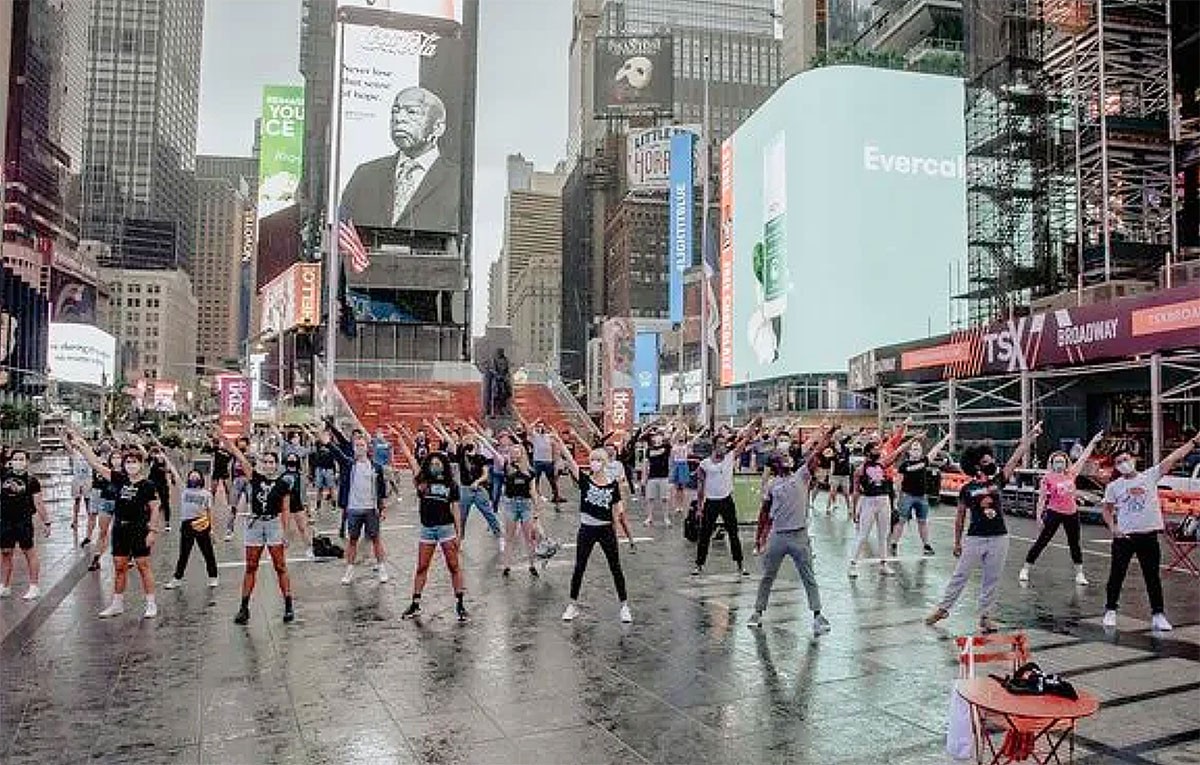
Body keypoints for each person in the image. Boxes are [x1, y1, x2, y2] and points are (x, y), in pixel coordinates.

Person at [926, 423, 1043, 632]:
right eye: (987, 461)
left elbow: (1015, 457)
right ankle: (943, 608)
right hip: (975, 538)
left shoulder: (999, 480)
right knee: (960, 575)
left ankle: (985, 616)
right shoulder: (967, 488)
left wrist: (1031, 437)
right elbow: (960, 517)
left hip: (999, 537)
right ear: (977, 465)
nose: (992, 463)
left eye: (991, 460)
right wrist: (957, 542)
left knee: (992, 578)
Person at [1100, 433, 1200, 632]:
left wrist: (1194, 442)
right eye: (1119, 462)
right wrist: (1114, 528)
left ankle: (1158, 614)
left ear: (1133, 460)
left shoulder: (1150, 476)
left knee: (1152, 576)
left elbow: (1174, 457)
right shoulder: (1114, 487)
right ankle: (1110, 610)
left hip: (1149, 536)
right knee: (1116, 575)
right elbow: (1107, 510)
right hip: (1125, 538)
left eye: (1126, 460)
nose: (1123, 464)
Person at [748, 427, 834, 636]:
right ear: (776, 463)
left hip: (799, 535)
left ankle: (817, 615)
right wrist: (759, 538)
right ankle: (758, 612)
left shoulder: (801, 475)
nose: (788, 458)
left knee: (808, 576)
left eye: (788, 456)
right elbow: (764, 513)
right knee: (768, 575)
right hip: (778, 535)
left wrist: (829, 433)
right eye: (783, 456)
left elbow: (815, 454)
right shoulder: (771, 485)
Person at [340, 86, 460, 231]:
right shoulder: (365, 175)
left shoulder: (458, 182)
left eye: (412, 112)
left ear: (438, 128)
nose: (399, 118)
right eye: (395, 111)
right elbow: (342, 232)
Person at [72, 433, 163, 619]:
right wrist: (83, 447)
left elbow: (155, 508)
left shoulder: (147, 485)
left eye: (134, 461)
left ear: (141, 463)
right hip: (120, 528)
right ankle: (117, 603)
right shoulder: (120, 479)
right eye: (127, 461)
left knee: (142, 565)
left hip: (139, 529)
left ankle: (151, 603)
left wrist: (152, 531)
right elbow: (96, 465)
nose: (130, 465)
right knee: (119, 565)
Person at [552, 432, 634, 623]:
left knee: (615, 567)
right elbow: (571, 461)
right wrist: (560, 444)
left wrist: (617, 532)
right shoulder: (585, 480)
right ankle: (572, 605)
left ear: (604, 462)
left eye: (598, 459)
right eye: (592, 459)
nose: (594, 462)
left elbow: (616, 511)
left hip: (606, 530)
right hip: (587, 529)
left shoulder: (613, 486)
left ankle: (624, 606)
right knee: (579, 566)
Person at [394, 438, 468, 622]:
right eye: (432, 463)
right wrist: (401, 440)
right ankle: (415, 603)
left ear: (444, 466)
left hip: (446, 529)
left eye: (438, 463)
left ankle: (460, 604)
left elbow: (456, 510)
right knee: (422, 566)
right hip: (427, 529)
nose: (435, 465)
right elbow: (411, 460)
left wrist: (459, 535)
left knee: (454, 566)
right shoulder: (422, 481)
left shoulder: (451, 485)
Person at [225, 438, 294, 625]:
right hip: (255, 524)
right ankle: (244, 607)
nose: (268, 465)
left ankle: (288, 604)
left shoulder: (283, 484)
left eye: (272, 462)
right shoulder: (255, 477)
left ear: (277, 465)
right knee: (251, 566)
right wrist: (226, 439)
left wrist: (286, 532)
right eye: (265, 462)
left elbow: (286, 509)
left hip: (273, 524)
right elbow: (240, 457)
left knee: (280, 566)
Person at [1019, 432, 1103, 586]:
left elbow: (1084, 457)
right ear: (1052, 463)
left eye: (1062, 461)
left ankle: (1079, 574)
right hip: (1053, 513)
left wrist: (1093, 441)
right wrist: (1038, 517)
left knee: (1075, 544)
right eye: (1056, 462)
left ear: (1066, 463)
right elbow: (1042, 498)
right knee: (1042, 541)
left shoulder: (1071, 474)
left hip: (1071, 513)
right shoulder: (1047, 478)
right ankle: (1025, 568)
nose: (1060, 464)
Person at [693, 418, 762, 577]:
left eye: (724, 444)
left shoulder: (731, 457)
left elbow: (745, 440)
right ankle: (699, 565)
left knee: (733, 533)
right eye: (719, 444)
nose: (722, 447)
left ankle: (740, 564)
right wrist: (699, 507)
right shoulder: (705, 464)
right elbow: (700, 487)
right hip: (711, 502)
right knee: (704, 535)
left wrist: (753, 425)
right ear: (714, 446)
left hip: (726, 501)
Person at [848, 431, 919, 578]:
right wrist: (854, 510)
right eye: (875, 450)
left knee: (883, 534)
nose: (878, 452)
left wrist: (913, 439)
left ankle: (883, 564)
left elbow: (899, 450)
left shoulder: (882, 464)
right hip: (868, 501)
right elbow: (855, 492)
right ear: (867, 452)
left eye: (878, 450)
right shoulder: (859, 471)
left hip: (884, 500)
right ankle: (853, 565)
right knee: (863, 535)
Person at [328, 422, 390, 585]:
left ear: (367, 447)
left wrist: (382, 508)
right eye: (357, 445)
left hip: (371, 509)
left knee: (376, 539)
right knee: (353, 541)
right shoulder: (349, 464)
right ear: (354, 447)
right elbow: (337, 452)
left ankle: (381, 566)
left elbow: (381, 490)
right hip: (354, 509)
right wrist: (327, 441)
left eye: (362, 445)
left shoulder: (375, 467)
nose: (360, 447)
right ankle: (349, 570)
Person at [889, 433, 953, 557]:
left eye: (918, 448)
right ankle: (894, 543)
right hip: (907, 496)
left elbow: (936, 449)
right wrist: (898, 497)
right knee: (901, 521)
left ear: (922, 451)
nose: (916, 450)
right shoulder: (904, 465)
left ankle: (926, 545)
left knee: (922, 522)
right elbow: (898, 482)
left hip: (922, 497)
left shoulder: (925, 461)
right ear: (910, 452)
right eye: (914, 448)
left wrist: (946, 438)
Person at [0, 449, 50, 600]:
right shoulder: (4, 476)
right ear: (11, 460)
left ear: (27, 462)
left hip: (23, 521)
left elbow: (39, 502)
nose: (18, 462)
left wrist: (46, 521)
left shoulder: (31, 480)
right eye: (16, 459)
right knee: (6, 553)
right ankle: (5, 585)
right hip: (5, 520)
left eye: (21, 459)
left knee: (29, 552)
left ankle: (34, 586)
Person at [163, 469, 219, 590]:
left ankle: (213, 577)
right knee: (184, 554)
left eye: (196, 477)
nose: (194, 479)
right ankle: (177, 579)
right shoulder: (184, 490)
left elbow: (210, 512)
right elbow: (175, 473)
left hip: (201, 523)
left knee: (208, 553)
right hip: (187, 524)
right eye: (191, 477)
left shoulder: (206, 494)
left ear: (201, 479)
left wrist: (212, 530)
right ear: (188, 479)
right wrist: (164, 457)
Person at [500, 443, 539, 578]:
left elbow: (533, 491)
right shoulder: (507, 467)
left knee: (529, 538)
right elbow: (493, 451)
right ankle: (506, 566)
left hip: (526, 504)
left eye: (518, 452)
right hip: (511, 503)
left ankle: (532, 565)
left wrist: (537, 510)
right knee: (509, 537)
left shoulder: (530, 470)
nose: (515, 455)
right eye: (513, 452)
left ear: (522, 454)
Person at [87, 450, 122, 571]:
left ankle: (126, 556)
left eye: (118, 457)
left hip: (121, 504)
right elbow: (93, 461)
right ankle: (96, 558)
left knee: (121, 532)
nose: (116, 460)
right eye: (114, 457)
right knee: (103, 532)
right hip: (106, 502)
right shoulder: (106, 471)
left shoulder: (126, 472)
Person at [641, 428, 673, 527]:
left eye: (660, 435)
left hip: (664, 477)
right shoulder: (649, 449)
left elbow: (673, 436)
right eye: (656, 436)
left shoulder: (667, 447)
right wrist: (644, 477)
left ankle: (666, 518)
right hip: (652, 477)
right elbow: (646, 464)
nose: (658, 437)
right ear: (653, 438)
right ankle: (649, 517)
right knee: (650, 498)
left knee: (665, 499)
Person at [529, 420, 563, 505]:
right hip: (537, 461)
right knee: (535, 480)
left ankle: (556, 496)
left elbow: (557, 442)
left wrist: (556, 462)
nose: (541, 428)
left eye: (543, 426)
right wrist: (536, 422)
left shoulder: (549, 436)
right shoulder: (535, 436)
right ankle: (536, 495)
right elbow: (529, 429)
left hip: (548, 462)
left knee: (552, 481)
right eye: (539, 427)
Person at [310, 427, 340, 519]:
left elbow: (337, 459)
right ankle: (318, 506)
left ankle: (334, 506)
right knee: (319, 488)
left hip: (329, 469)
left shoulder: (333, 445)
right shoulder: (318, 443)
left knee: (332, 488)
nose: (324, 435)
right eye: (324, 434)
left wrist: (337, 471)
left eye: (327, 434)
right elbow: (312, 435)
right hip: (319, 469)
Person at [69, 443, 92, 533]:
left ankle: (90, 520)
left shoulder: (90, 453)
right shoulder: (75, 453)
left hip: (87, 480)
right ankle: (75, 520)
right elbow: (67, 445)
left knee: (88, 501)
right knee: (77, 501)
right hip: (77, 480)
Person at [669, 428, 692, 516]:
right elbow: (672, 438)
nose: (680, 438)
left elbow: (694, 438)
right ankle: (676, 506)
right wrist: (677, 431)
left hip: (683, 465)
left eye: (682, 437)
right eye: (679, 437)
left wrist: (686, 430)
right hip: (676, 465)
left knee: (682, 488)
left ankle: (681, 506)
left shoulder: (686, 445)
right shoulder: (674, 446)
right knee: (676, 488)